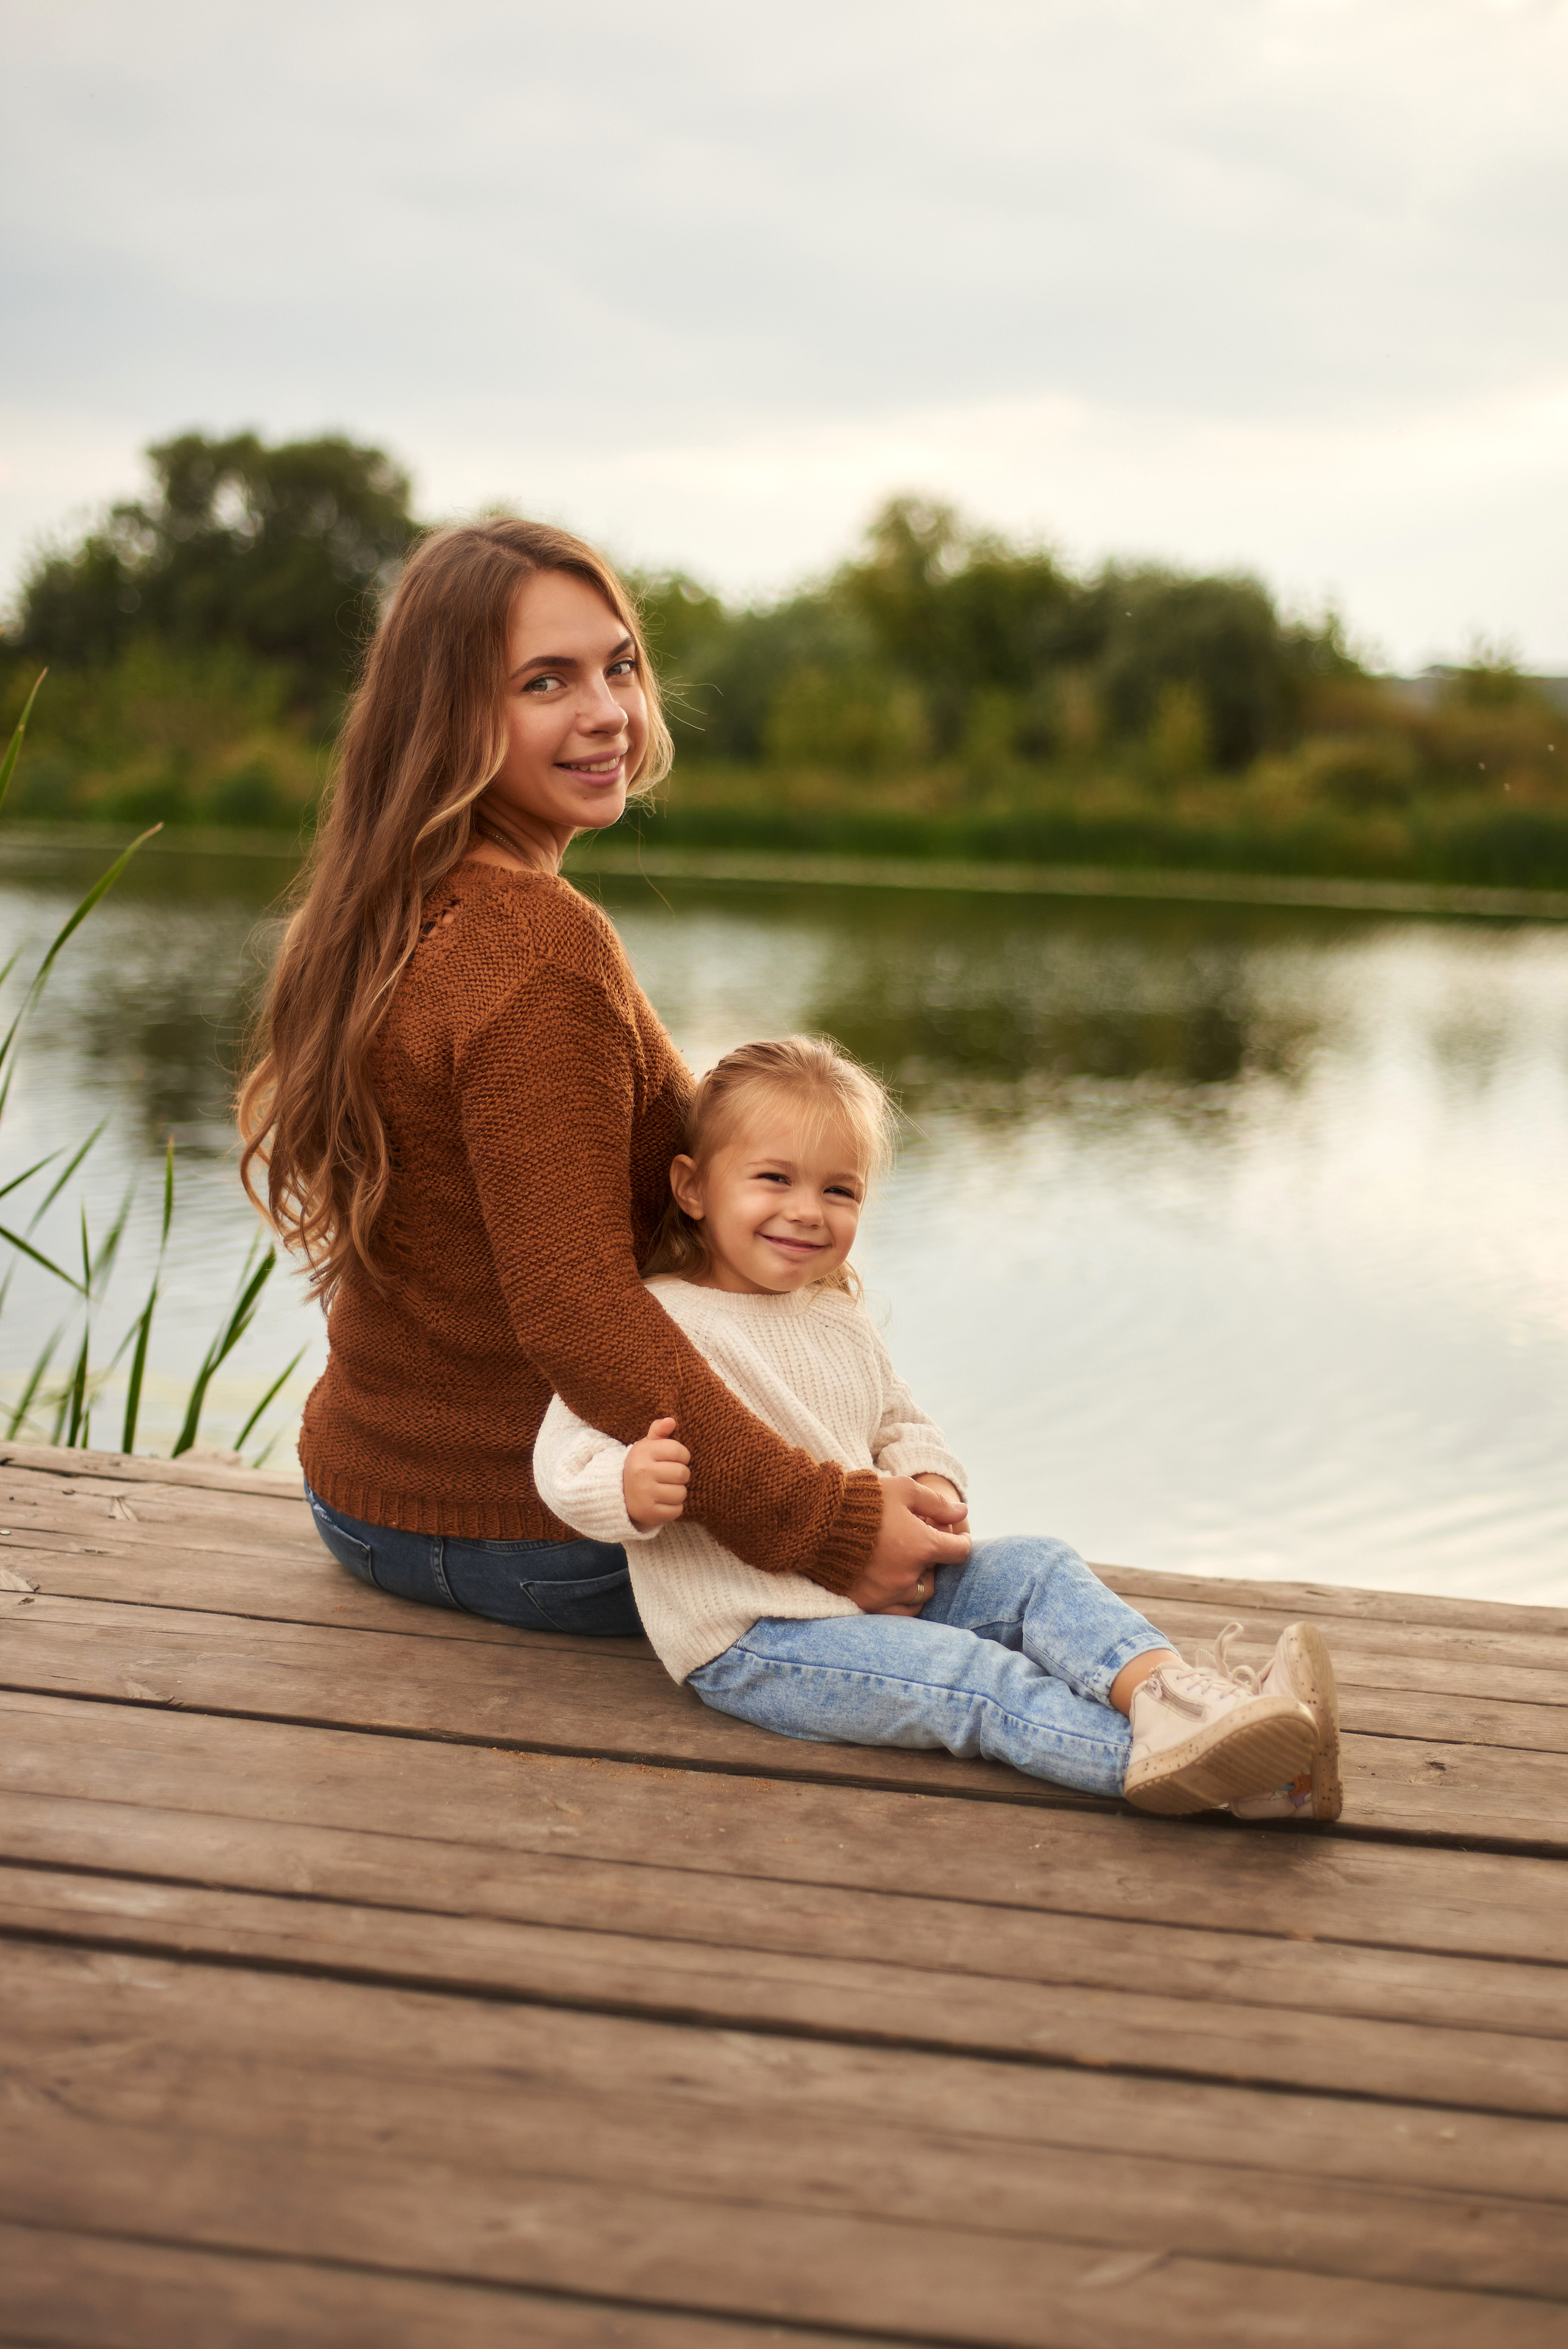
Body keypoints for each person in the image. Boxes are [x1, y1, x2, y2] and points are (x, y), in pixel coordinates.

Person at [239, 520, 968, 1634]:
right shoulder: (539, 952)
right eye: (546, 681)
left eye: (618, 664)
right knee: (976, 1585)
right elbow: (575, 1311)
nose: (608, 713)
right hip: (539, 1531)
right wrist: (826, 1525)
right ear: (453, 716)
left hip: (362, 1499)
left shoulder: (388, 912)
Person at [534, 1036, 1342, 1817]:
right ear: (693, 1187)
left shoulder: (832, 1315)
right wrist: (628, 1489)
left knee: (1039, 1566)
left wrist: (930, 1485)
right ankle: (1223, 1776)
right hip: (760, 1641)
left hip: (875, 1592)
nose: (807, 1212)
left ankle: (1179, 1701)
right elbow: (562, 1457)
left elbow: (902, 1420)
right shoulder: (658, 1321)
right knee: (972, 1678)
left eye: (839, 1191)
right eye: (773, 1178)